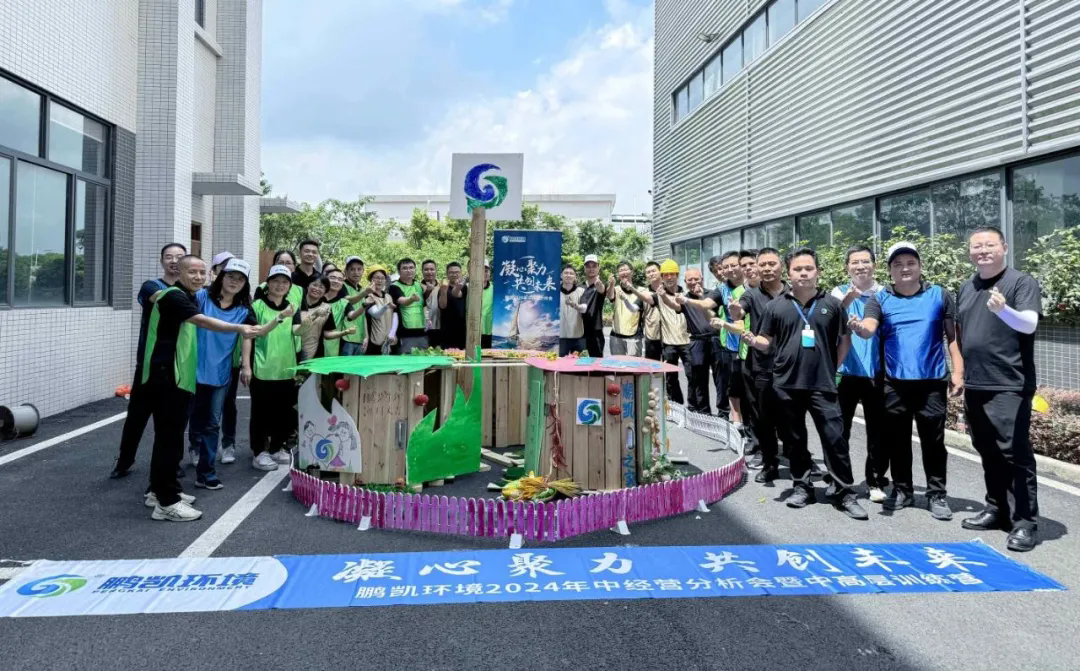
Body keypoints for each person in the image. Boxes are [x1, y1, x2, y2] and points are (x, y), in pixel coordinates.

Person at [746, 247, 866, 520]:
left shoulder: (832, 305)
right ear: (789, 274)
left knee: (835, 439)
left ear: (817, 272)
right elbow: (766, 341)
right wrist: (754, 341)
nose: (803, 273)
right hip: (786, 384)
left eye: (808, 268)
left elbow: (844, 340)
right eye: (797, 269)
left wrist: (831, 367)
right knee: (794, 439)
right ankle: (802, 486)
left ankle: (843, 491)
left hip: (823, 383)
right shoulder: (775, 307)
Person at [849, 242, 963, 522]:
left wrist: (958, 372)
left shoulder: (939, 295)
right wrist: (859, 328)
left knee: (933, 441)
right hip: (894, 382)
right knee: (897, 440)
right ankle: (903, 490)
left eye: (910, 263)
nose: (905, 268)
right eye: (897, 264)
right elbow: (869, 328)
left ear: (920, 266)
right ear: (889, 270)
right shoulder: (880, 299)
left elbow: (953, 338)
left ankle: (936, 494)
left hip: (932, 380)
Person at [142, 256, 260, 521]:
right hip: (168, 376)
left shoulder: (186, 296)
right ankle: (166, 502)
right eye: (191, 272)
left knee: (170, 437)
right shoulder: (177, 297)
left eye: (201, 272)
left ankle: (161, 490)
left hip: (178, 376)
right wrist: (240, 328)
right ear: (178, 271)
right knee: (169, 438)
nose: (197, 277)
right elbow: (204, 322)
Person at [956, 227, 1042, 552]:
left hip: (1009, 383)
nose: (983, 251)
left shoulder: (1021, 282)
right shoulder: (967, 287)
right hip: (976, 382)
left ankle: (1025, 522)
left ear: (1004, 247)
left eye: (989, 245)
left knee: (1014, 453)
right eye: (976, 246)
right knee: (987, 449)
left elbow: (1029, 324)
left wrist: (1003, 310)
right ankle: (997, 508)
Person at [111, 242, 186, 479]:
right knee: (137, 416)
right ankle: (124, 461)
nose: (174, 261)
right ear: (162, 261)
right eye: (169, 257)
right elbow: (164, 300)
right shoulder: (151, 286)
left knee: (173, 421)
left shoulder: (193, 292)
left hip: (178, 366)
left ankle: (173, 463)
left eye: (179, 257)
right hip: (149, 364)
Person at [188, 258, 263, 490]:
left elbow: (249, 335)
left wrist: (246, 365)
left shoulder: (244, 310)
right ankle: (190, 453)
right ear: (221, 277)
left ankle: (206, 473)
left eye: (240, 279)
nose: (234, 282)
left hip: (220, 373)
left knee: (213, 423)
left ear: (245, 284)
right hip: (191, 371)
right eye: (230, 276)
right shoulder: (200, 297)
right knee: (193, 419)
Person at [830, 245, 888, 503]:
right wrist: (847, 301)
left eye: (866, 261)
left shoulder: (885, 294)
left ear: (874, 265)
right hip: (845, 372)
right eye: (855, 262)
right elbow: (828, 321)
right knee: (839, 430)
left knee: (878, 431)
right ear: (847, 267)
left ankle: (875, 480)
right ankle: (838, 479)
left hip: (877, 373)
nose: (860, 266)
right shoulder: (838, 292)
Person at [728, 248, 787, 475]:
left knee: (792, 415)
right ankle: (768, 461)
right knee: (762, 415)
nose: (767, 269)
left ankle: (798, 458)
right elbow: (739, 312)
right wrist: (735, 311)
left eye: (772, 264)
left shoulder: (793, 292)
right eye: (763, 265)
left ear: (781, 266)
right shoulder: (751, 294)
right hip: (761, 364)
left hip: (790, 365)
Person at [248, 265, 307, 471]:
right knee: (261, 413)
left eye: (284, 282)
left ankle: (275, 447)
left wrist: (313, 321)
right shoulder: (256, 306)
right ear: (268, 284)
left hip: (286, 367)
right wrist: (246, 366)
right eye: (276, 281)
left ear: (289, 286)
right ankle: (259, 451)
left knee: (283, 412)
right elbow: (256, 333)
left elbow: (297, 331)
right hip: (262, 367)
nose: (280, 285)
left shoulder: (292, 306)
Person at [689, 252, 745, 419]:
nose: (721, 272)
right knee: (728, 381)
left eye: (724, 268)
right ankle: (728, 416)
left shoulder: (747, 287)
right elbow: (711, 313)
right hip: (726, 341)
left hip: (745, 341)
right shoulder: (719, 291)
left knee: (737, 382)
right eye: (717, 270)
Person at [661, 267, 714, 414]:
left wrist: (701, 296)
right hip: (696, 341)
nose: (694, 282)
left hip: (715, 340)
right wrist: (664, 297)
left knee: (719, 379)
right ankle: (703, 412)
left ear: (702, 279)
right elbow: (675, 306)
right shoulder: (684, 298)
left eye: (696, 279)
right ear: (685, 282)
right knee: (699, 379)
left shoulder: (711, 295)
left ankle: (723, 414)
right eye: (690, 280)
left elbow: (714, 314)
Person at [653, 259, 691, 405]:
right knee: (671, 377)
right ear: (662, 277)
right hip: (669, 343)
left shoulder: (686, 293)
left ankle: (694, 407)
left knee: (692, 375)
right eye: (666, 275)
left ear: (677, 275)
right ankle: (676, 406)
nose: (669, 277)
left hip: (688, 341)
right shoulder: (658, 294)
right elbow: (644, 298)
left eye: (672, 274)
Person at [297, 277, 353, 362]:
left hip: (313, 351)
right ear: (308, 286)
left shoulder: (326, 308)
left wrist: (345, 332)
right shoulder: (296, 302)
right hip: (291, 348)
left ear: (325, 292)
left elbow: (327, 334)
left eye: (321, 287)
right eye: (314, 285)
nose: (317, 289)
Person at [354, 266, 397, 355]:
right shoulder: (368, 296)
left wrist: (392, 333)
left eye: (382, 278)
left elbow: (394, 315)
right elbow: (376, 314)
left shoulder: (388, 296)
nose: (380, 281)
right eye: (376, 278)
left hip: (389, 340)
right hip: (373, 340)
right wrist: (386, 306)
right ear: (371, 279)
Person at [388, 258, 428, 353]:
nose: (408, 270)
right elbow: (402, 301)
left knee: (424, 360)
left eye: (411, 267)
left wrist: (427, 318)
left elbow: (423, 305)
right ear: (399, 271)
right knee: (407, 360)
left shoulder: (419, 285)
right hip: (405, 334)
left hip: (422, 333)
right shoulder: (394, 286)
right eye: (405, 268)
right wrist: (411, 299)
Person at [607, 261, 643, 356]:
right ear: (618, 274)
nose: (623, 272)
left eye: (626, 269)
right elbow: (610, 296)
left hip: (634, 336)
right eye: (621, 270)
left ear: (632, 272)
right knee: (616, 364)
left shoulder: (641, 290)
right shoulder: (616, 289)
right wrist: (611, 284)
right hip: (616, 336)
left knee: (634, 364)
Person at [632, 261, 664, 361]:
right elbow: (633, 308)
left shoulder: (669, 289)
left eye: (653, 271)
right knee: (652, 367)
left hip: (669, 337)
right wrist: (624, 299)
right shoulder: (644, 293)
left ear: (660, 271)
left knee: (670, 367)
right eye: (648, 272)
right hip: (652, 336)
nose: (651, 274)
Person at [579, 254, 607, 357]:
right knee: (579, 362)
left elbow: (602, 290)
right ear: (584, 268)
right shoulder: (579, 286)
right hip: (580, 331)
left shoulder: (601, 285)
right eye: (588, 266)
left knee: (596, 363)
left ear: (598, 268)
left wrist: (599, 286)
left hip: (596, 331)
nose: (591, 269)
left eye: (594, 266)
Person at [558, 265, 588, 356]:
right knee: (559, 363)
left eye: (571, 273)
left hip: (578, 336)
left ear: (575, 276)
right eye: (566, 273)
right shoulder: (554, 291)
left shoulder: (582, 291)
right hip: (560, 337)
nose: (568, 275)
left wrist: (574, 305)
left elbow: (584, 308)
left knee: (579, 363)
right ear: (561, 275)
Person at [439, 262, 469, 350]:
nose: (454, 274)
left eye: (457, 272)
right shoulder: (443, 288)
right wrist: (443, 292)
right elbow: (442, 306)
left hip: (462, 330)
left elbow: (458, 294)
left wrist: (458, 287)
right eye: (451, 272)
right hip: (446, 330)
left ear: (461, 273)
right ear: (447, 274)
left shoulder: (465, 287)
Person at [421, 259, 441, 348]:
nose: (429, 272)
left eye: (432, 269)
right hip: (424, 327)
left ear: (436, 270)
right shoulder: (417, 286)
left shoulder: (442, 286)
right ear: (422, 271)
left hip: (440, 327)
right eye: (426, 269)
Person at [481, 261, 495, 349]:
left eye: (486, 271)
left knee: (488, 355)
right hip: (473, 332)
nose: (484, 273)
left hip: (489, 332)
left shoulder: (495, 289)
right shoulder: (468, 287)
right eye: (481, 271)